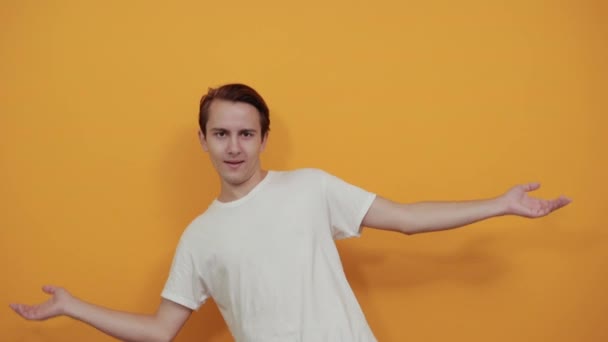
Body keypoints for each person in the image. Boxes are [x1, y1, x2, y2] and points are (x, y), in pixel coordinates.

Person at [10, 83, 571, 342]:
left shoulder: (310, 188)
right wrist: (72, 307)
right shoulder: (199, 237)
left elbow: (404, 218)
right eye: (221, 133)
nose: (234, 146)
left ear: (263, 138)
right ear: (202, 140)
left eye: (246, 134)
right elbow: (161, 330)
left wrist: (500, 204)